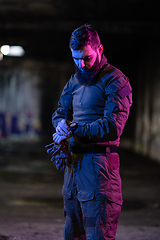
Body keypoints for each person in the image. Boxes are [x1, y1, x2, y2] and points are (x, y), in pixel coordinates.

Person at [51, 24, 132, 240]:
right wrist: (60, 124)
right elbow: (60, 112)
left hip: (100, 170)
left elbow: (113, 126)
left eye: (86, 57)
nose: (81, 64)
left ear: (100, 50)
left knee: (98, 234)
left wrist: (74, 129)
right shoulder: (74, 80)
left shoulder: (116, 81)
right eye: (76, 58)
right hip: (73, 168)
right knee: (72, 232)